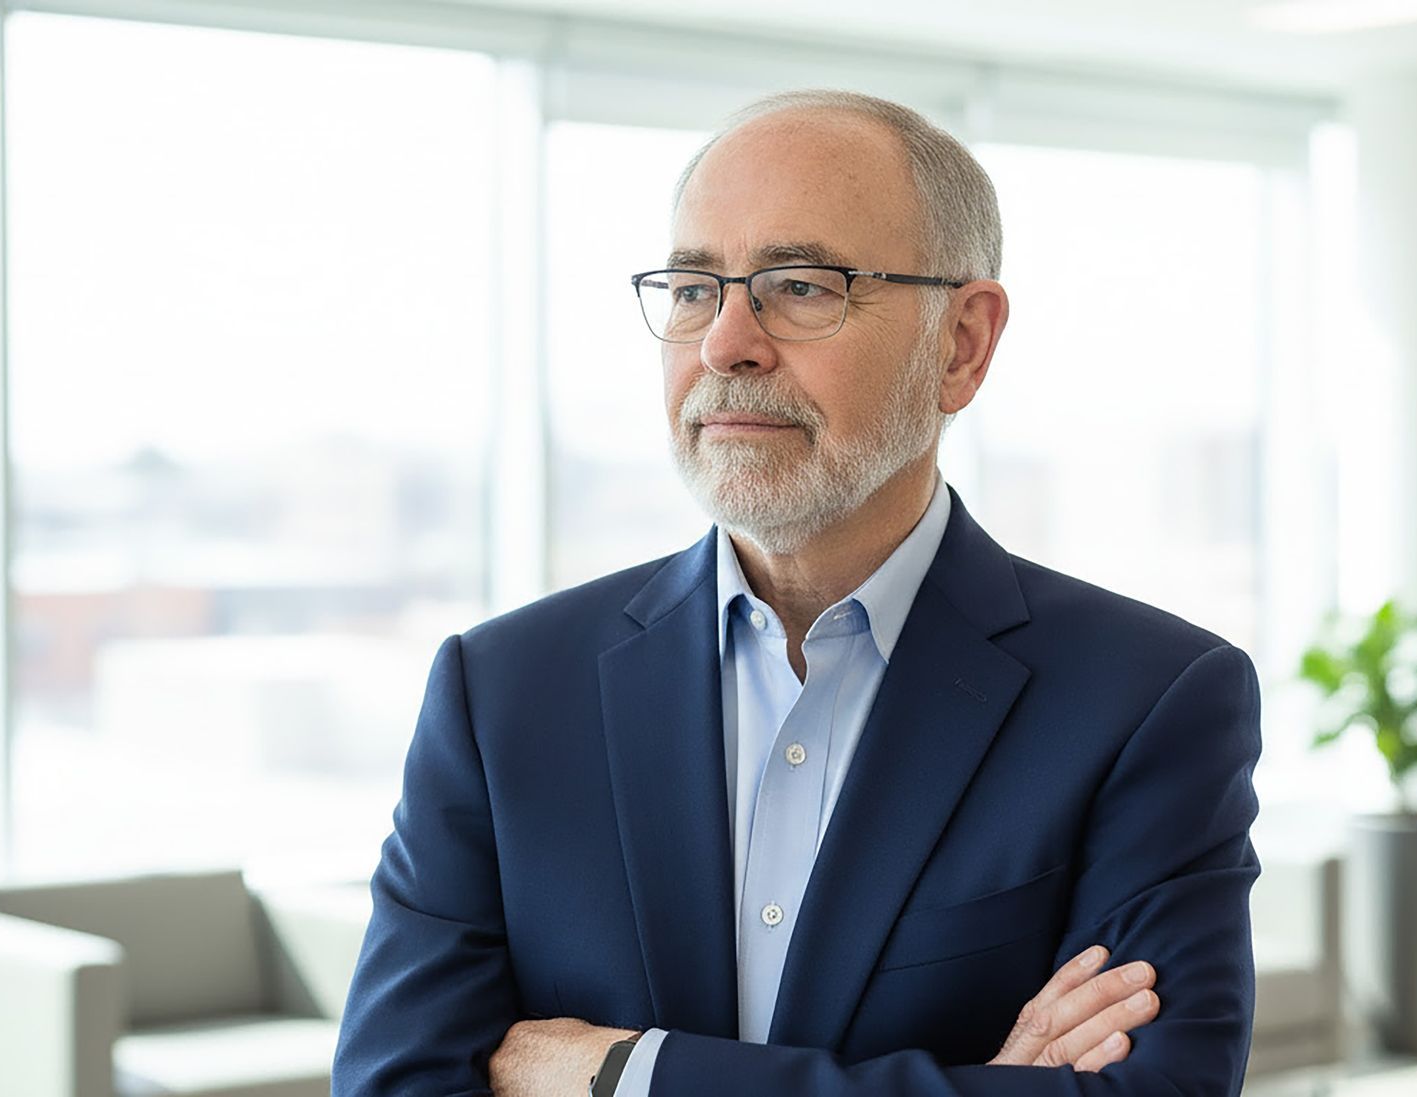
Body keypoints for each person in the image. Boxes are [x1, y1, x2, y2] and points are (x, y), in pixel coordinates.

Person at [333, 88, 1261, 1097]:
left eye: (801, 285)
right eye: (693, 289)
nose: (726, 342)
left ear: (962, 344)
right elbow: (397, 1082)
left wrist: (626, 1072)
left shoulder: (1149, 699)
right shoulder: (503, 689)